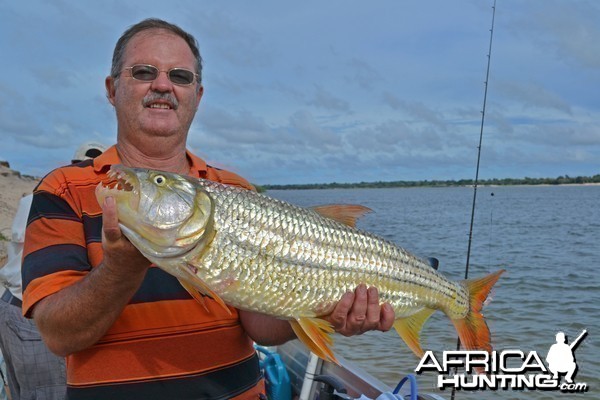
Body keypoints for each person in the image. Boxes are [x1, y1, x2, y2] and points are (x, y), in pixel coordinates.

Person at [22, 19, 395, 400]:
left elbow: (261, 325)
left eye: (180, 76)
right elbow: (57, 335)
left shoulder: (236, 191)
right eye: (144, 72)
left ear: (197, 96)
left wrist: (325, 310)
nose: (163, 85)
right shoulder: (63, 189)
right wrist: (121, 268)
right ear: (111, 88)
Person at [0, 142, 106, 400]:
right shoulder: (58, 202)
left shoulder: (34, 198)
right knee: (51, 392)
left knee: (22, 391)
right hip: (35, 315)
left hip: (11, 305)